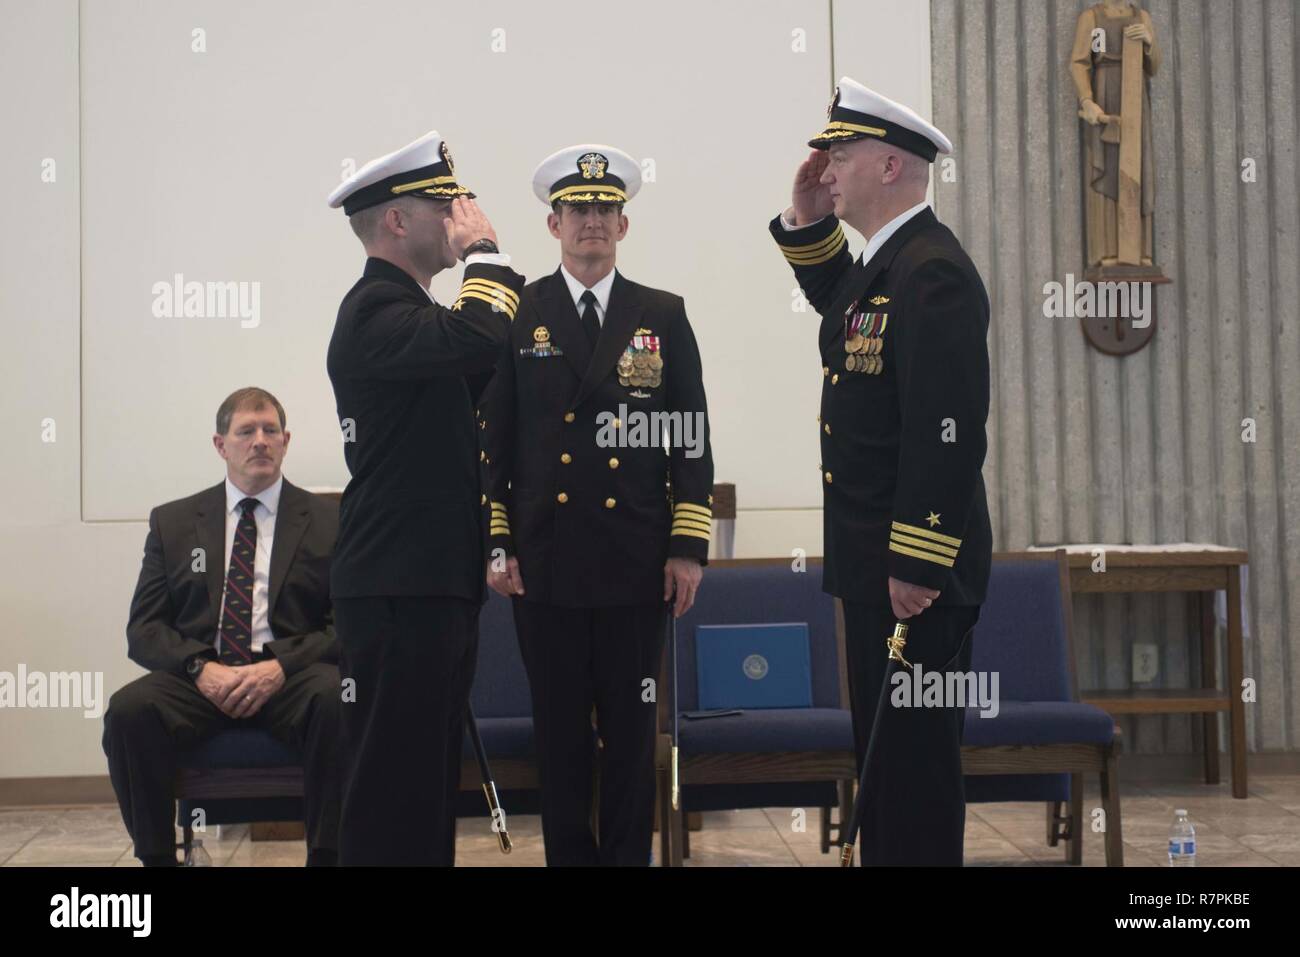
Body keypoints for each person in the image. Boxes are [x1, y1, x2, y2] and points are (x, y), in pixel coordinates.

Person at [769, 78, 992, 865]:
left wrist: (918, 561)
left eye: (840, 155)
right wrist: (807, 219)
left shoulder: (933, 271)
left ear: (890, 165)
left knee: (916, 773)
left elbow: (952, 430)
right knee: (887, 767)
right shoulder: (887, 263)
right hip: (879, 569)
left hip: (913, 575)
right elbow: (846, 314)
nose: (826, 168)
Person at [480, 144, 713, 865]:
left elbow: (690, 439)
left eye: (605, 210)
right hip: (544, 561)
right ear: (553, 224)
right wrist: (497, 539)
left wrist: (686, 547)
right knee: (560, 735)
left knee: (631, 732)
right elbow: (494, 437)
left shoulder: (661, 315)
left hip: (634, 561)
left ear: (624, 226)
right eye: (578, 210)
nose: (592, 222)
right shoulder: (522, 312)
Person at [325, 130, 524, 865]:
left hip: (430, 584)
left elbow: (491, 342)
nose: (460, 216)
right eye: (444, 206)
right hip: (397, 588)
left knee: (427, 788)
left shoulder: (412, 314)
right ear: (397, 222)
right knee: (390, 788)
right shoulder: (377, 312)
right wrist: (484, 250)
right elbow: (479, 336)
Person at [104, 387, 341, 866]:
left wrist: (280, 667)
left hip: (290, 677)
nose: (260, 441)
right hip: (202, 678)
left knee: (340, 699)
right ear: (220, 445)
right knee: (129, 711)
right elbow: (144, 629)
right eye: (246, 431)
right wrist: (199, 668)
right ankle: (156, 859)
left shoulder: (329, 519)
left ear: (286, 440)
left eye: (270, 430)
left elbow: (350, 625)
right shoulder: (173, 523)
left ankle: (328, 857)